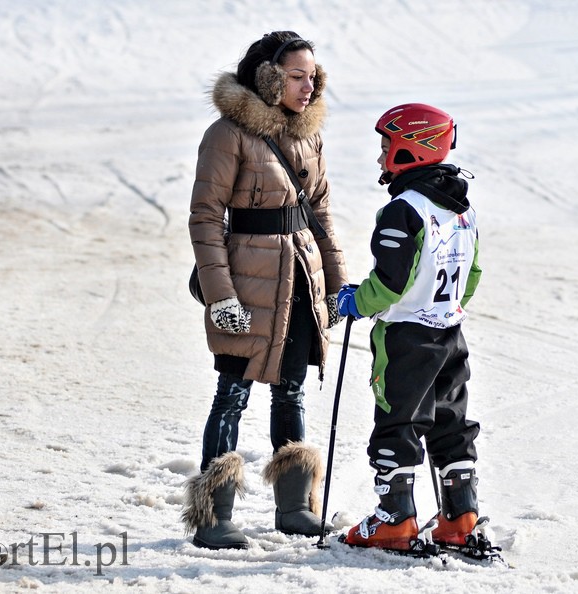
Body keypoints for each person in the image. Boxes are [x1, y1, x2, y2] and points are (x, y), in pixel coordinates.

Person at [181, 31, 348, 550]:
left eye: (313, 76)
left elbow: (319, 213)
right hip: (246, 281)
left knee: (292, 390)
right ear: (269, 78)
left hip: (300, 279)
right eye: (297, 76)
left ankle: (296, 509)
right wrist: (220, 295)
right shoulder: (226, 135)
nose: (309, 85)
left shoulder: (309, 135)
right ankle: (213, 515)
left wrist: (337, 286)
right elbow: (205, 218)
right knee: (231, 395)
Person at [336, 103, 484, 552]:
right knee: (449, 422)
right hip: (449, 335)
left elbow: (390, 283)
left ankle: (395, 519)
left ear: (412, 151)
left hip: (406, 338)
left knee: (397, 422)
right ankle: (460, 518)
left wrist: (356, 302)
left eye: (387, 148)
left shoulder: (405, 209)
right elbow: (472, 275)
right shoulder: (461, 207)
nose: (381, 159)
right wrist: (444, 307)